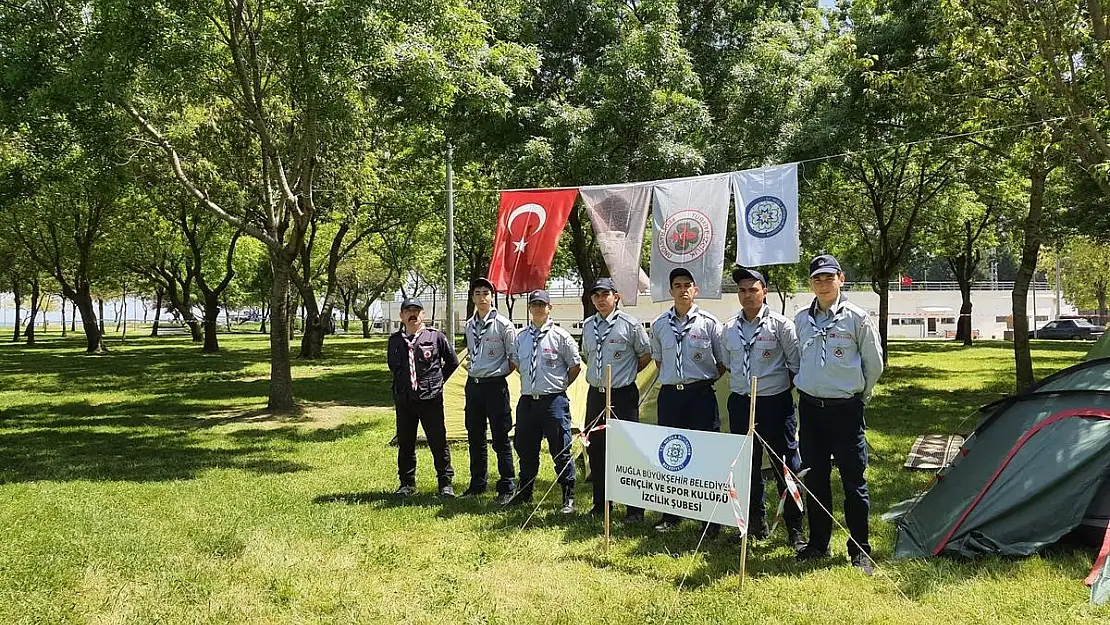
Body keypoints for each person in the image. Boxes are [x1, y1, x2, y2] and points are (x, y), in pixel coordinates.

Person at [793, 254, 884, 576]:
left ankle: (860, 550)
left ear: (841, 279)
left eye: (829, 277)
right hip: (811, 409)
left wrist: (861, 395)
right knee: (816, 480)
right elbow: (797, 359)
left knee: (853, 482)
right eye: (817, 278)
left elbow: (874, 363)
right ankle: (819, 544)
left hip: (845, 410)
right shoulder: (801, 319)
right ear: (811, 283)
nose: (823, 283)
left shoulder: (857, 318)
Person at [721, 267, 805, 550]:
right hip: (742, 403)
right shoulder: (729, 329)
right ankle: (755, 524)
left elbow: (795, 366)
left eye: (753, 289)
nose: (747, 295)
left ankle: (795, 529)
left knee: (785, 466)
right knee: (747, 467)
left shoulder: (781, 326)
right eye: (742, 290)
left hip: (774, 403)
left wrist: (775, 392)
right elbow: (728, 363)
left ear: (764, 292)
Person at [650, 267, 726, 535]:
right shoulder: (659, 325)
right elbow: (658, 360)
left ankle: (710, 519)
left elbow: (721, 362)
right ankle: (671, 515)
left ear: (696, 290)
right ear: (670, 291)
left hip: (701, 396)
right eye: (677, 285)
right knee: (672, 456)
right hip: (671, 396)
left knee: (706, 456)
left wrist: (700, 382)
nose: (683, 289)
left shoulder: (709, 323)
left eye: (687, 285)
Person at [580, 278, 652, 521]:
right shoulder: (588, 325)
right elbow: (588, 356)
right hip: (596, 395)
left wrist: (625, 375)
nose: (601, 299)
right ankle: (601, 504)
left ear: (616, 296)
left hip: (622, 395)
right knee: (596, 449)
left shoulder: (630, 325)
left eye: (605, 294)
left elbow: (644, 355)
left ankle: (634, 510)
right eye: (596, 295)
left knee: (628, 451)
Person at [508, 290, 582, 513]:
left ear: (550, 308)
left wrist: (557, 387)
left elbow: (575, 366)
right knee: (525, 448)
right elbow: (517, 363)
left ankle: (568, 497)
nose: (538, 308)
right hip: (528, 401)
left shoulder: (561, 336)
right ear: (529, 308)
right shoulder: (520, 337)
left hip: (554, 402)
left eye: (542, 304)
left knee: (560, 449)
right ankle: (525, 492)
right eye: (534, 304)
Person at [386, 297, 459, 498]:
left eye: (416, 311)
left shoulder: (435, 337)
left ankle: (445, 483)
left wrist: (436, 383)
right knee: (406, 443)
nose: (413, 315)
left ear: (423, 315)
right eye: (408, 311)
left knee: (438, 441)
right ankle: (407, 484)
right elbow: (394, 367)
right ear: (401, 316)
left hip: (431, 399)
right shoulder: (395, 341)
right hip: (405, 400)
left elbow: (452, 363)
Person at [462, 278, 518, 505]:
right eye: (477, 293)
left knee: (500, 437)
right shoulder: (469, 325)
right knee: (475, 437)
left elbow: (513, 358)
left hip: (495, 386)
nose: (482, 297)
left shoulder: (504, 325)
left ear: (492, 296)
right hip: (473, 386)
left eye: (486, 292)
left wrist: (496, 373)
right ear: (473, 297)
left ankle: (507, 485)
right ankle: (477, 483)